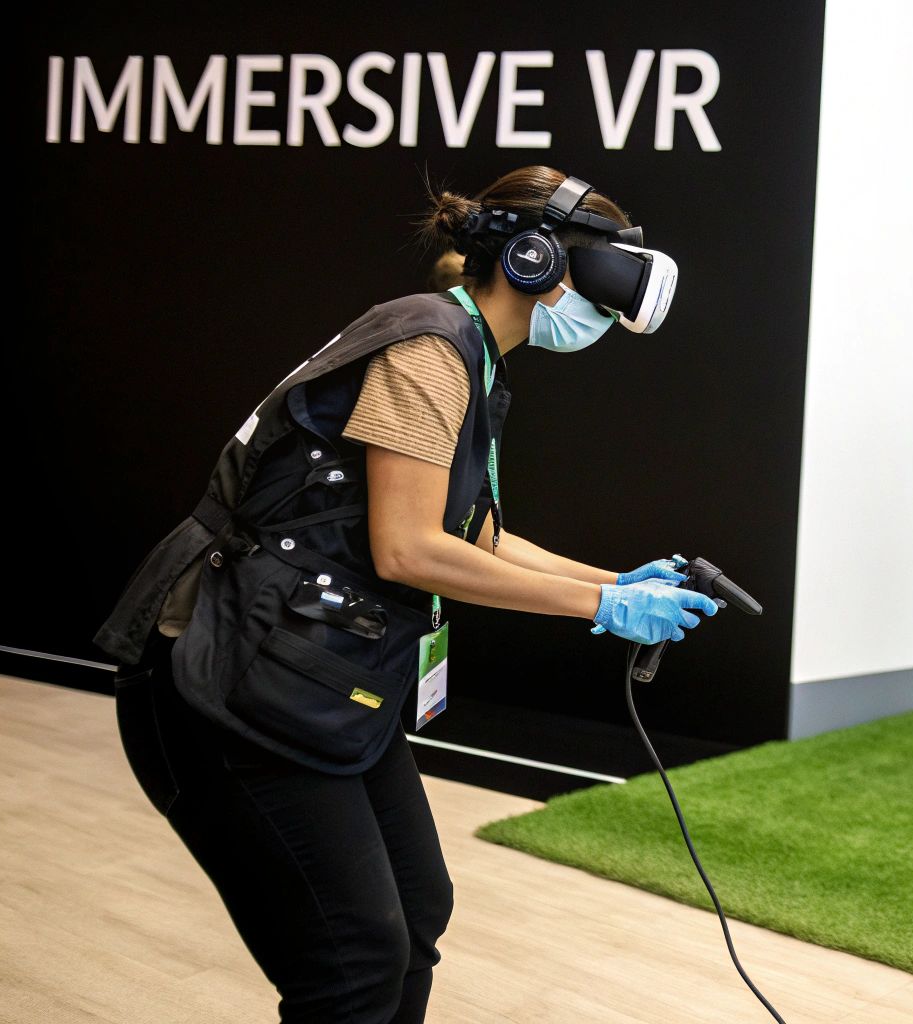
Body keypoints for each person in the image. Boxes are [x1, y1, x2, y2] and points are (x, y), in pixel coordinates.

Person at [93, 166, 716, 1022]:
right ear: (534, 262)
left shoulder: (468, 357)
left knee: (416, 913)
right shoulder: (429, 349)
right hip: (226, 673)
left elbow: (472, 534)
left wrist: (614, 581)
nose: (601, 318)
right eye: (597, 283)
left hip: (310, 668)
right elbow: (408, 548)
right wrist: (598, 611)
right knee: (353, 962)